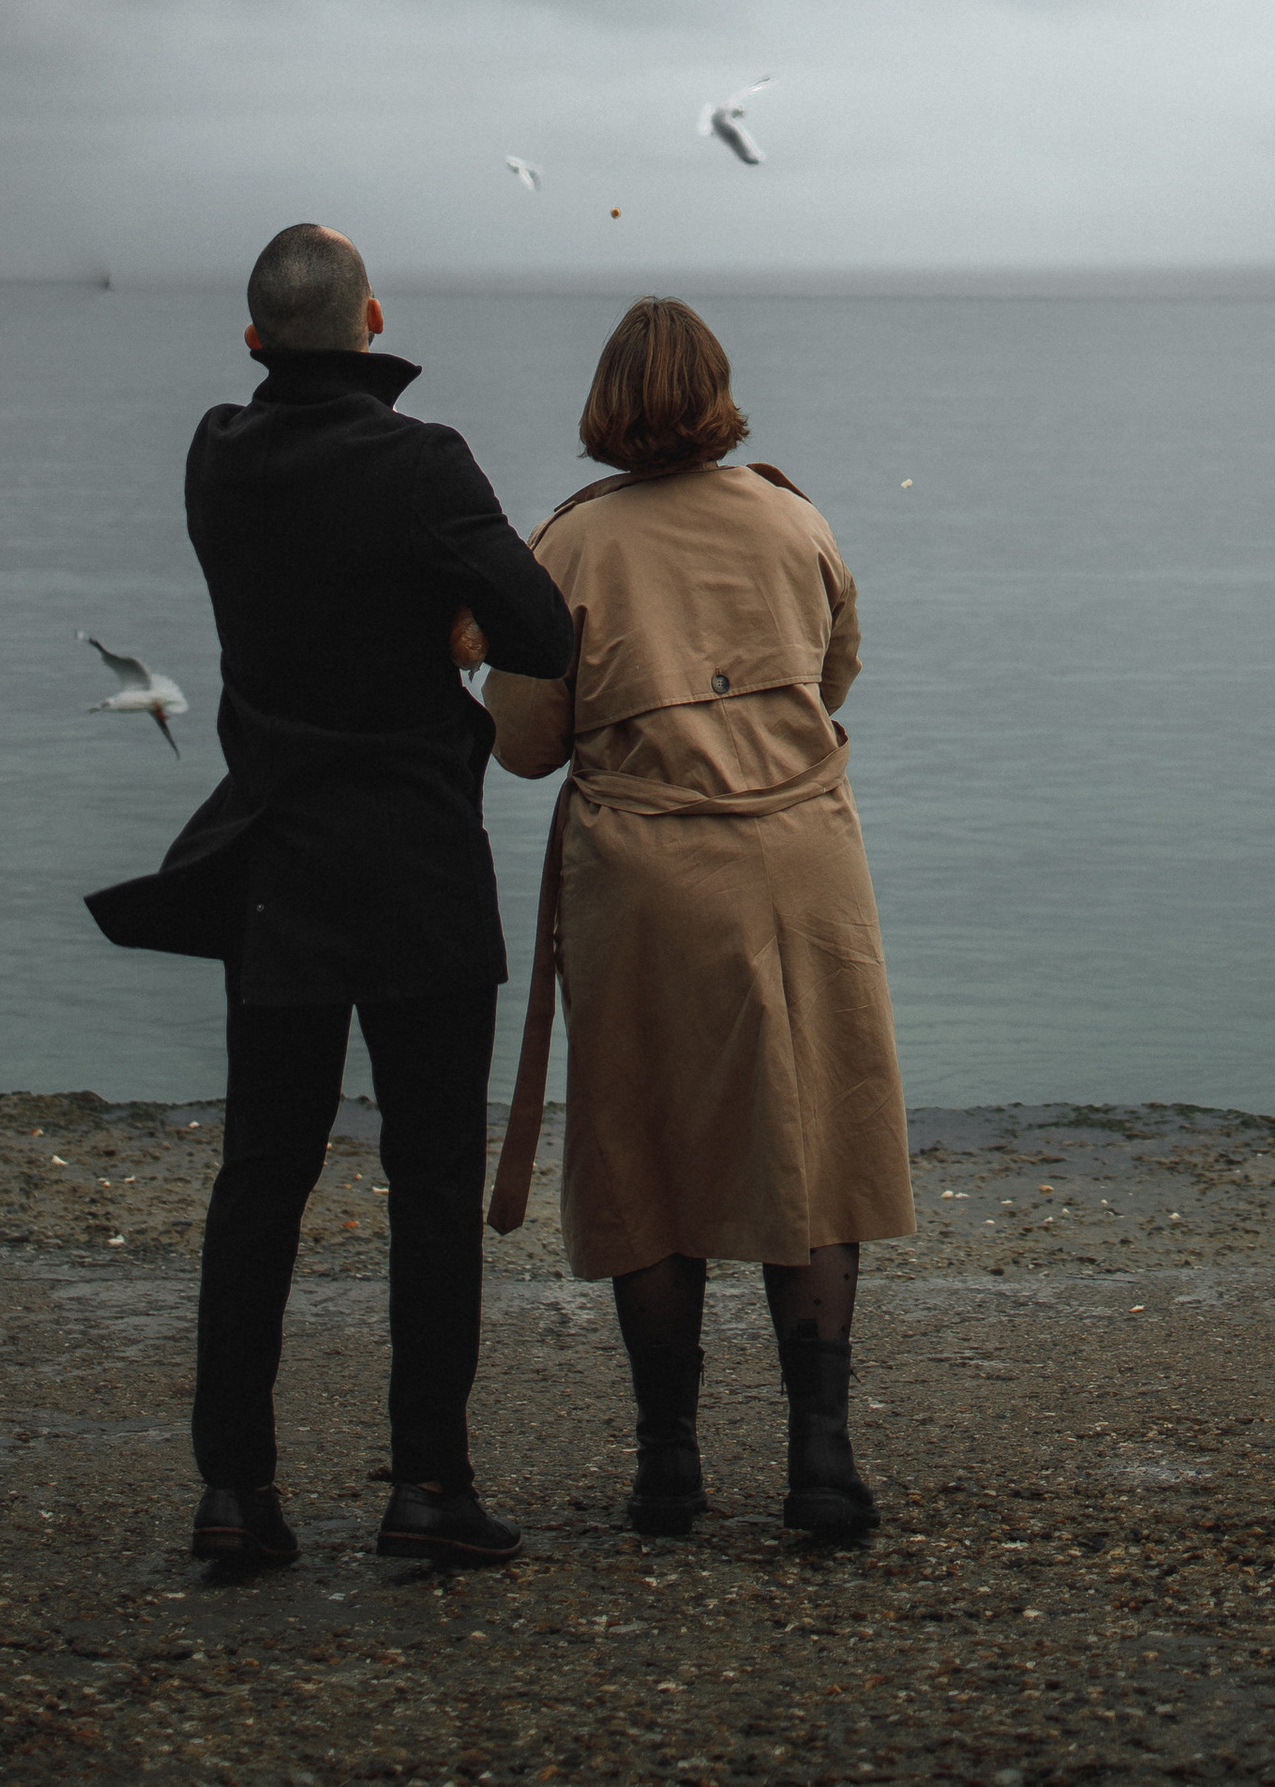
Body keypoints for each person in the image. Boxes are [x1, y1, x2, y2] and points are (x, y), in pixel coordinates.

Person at [86, 222, 575, 1574]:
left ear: (253, 341)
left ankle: (235, 1495)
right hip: (416, 861)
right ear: (374, 323)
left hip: (279, 864)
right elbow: (545, 633)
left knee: (262, 1180)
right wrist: (453, 621)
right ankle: (428, 1487)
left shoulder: (215, 455)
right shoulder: (426, 464)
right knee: (428, 1185)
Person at [483, 295, 914, 1542]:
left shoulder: (567, 550)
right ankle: (820, 1461)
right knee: (812, 1144)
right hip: (801, 863)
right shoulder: (795, 520)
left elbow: (523, 744)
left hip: (647, 874)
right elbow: (833, 678)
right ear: (721, 394)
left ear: (606, 406)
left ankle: (668, 1468)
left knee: (643, 1149)